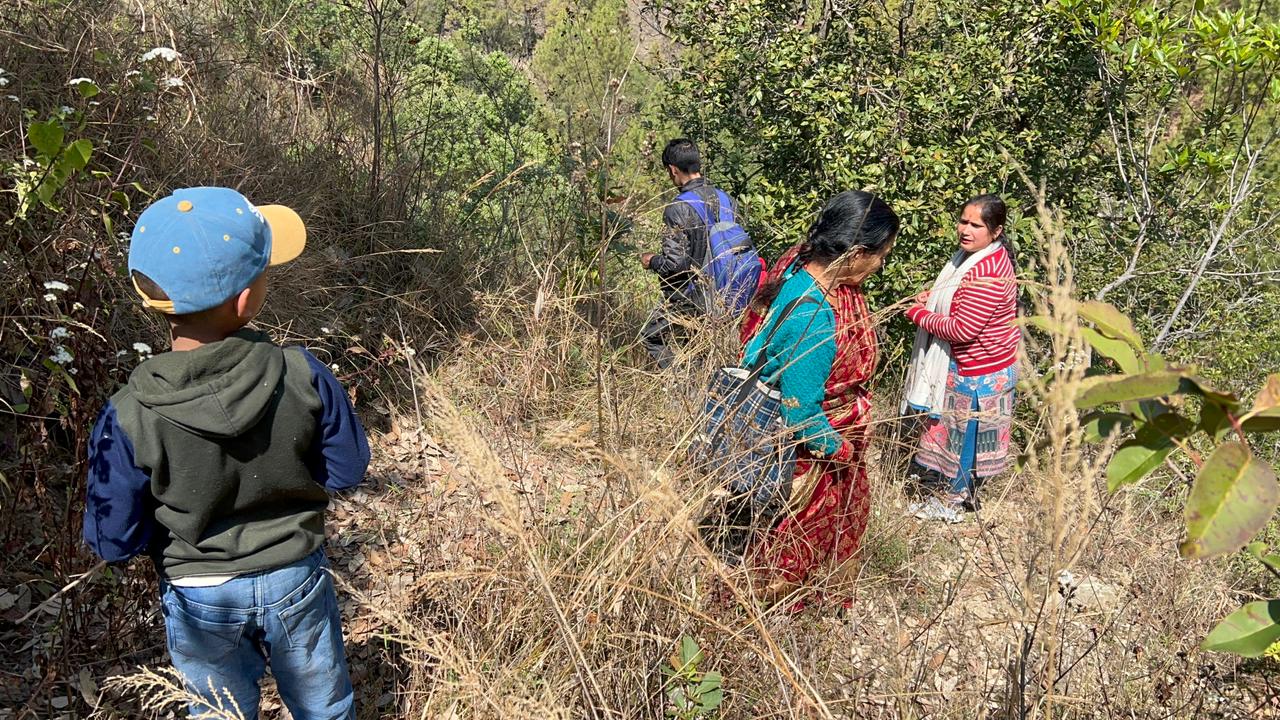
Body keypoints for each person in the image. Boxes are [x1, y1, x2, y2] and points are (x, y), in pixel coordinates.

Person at [83, 187, 369, 719]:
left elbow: (113, 538)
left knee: (219, 713)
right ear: (245, 300)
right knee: (325, 707)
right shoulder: (303, 374)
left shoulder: (127, 414)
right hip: (295, 575)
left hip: (199, 594)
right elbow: (348, 467)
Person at [737, 190, 898, 608]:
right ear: (857, 253)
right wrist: (841, 449)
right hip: (801, 454)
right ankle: (768, 610)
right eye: (880, 256)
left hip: (775, 438)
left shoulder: (798, 276)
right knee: (789, 541)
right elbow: (802, 413)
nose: (879, 266)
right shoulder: (815, 317)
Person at [902, 194, 1019, 523]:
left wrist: (917, 313)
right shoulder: (970, 258)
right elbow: (956, 305)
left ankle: (953, 503)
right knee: (956, 436)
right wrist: (934, 302)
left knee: (966, 441)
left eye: (976, 225)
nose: (966, 230)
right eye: (963, 221)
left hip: (981, 371)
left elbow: (963, 329)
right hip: (970, 365)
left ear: (995, 232)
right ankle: (948, 496)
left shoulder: (987, 273)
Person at [639, 138, 745, 368]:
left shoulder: (677, 208)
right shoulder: (728, 201)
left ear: (673, 169)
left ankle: (684, 385)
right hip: (728, 295)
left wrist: (651, 260)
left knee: (651, 336)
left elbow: (675, 264)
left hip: (690, 298)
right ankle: (704, 391)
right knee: (705, 354)